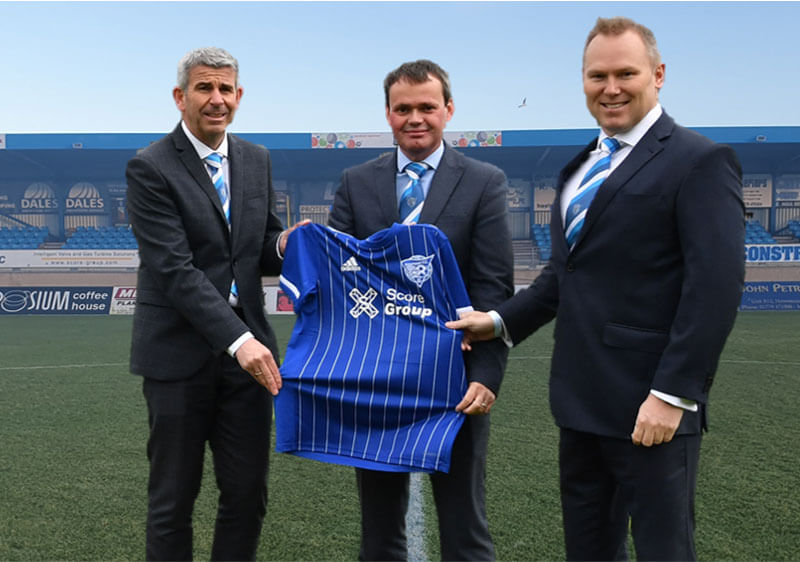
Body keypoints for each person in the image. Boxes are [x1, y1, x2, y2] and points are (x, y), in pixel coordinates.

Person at [448, 17, 745, 561]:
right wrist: (498, 322)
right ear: (583, 81)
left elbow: (716, 288)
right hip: (579, 405)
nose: (611, 88)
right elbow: (564, 276)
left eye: (625, 73)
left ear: (657, 75)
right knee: (588, 552)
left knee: (663, 551)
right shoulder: (578, 169)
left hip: (651, 409)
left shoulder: (699, 161)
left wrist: (672, 394)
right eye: (597, 75)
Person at [328, 59, 514, 561]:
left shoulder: (484, 181)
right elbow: (337, 278)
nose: (416, 118)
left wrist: (487, 375)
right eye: (403, 108)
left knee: (464, 528)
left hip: (454, 382)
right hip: (378, 382)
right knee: (381, 531)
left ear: (448, 110)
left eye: (427, 107)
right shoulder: (355, 183)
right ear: (387, 114)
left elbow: (494, 286)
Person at [126, 47, 302, 561]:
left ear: (239, 96)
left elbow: (259, 249)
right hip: (179, 357)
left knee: (247, 496)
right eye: (204, 88)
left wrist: (287, 246)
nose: (216, 99)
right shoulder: (150, 166)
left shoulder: (257, 159)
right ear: (180, 97)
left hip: (247, 362)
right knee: (173, 501)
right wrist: (238, 338)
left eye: (226, 89)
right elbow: (175, 271)